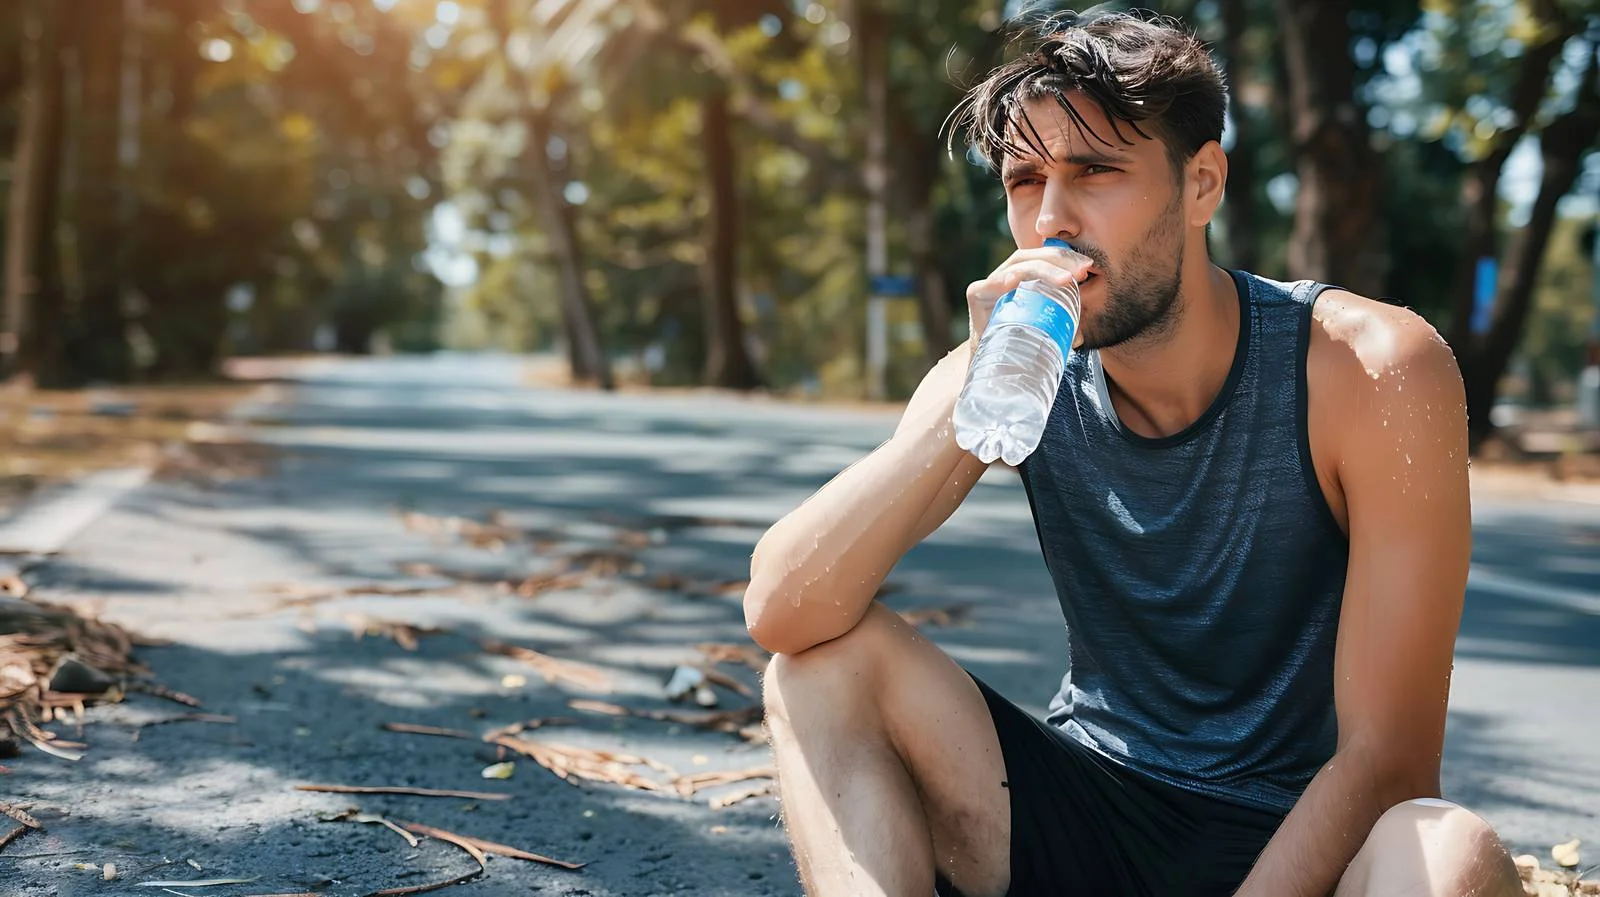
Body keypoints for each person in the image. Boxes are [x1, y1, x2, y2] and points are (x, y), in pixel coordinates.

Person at [742, 9, 1526, 897]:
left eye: (1096, 172)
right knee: (823, 668)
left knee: (1448, 848)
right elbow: (782, 608)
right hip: (1091, 813)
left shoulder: (1371, 369)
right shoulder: (1010, 366)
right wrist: (961, 412)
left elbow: (1389, 759)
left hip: (1303, 848)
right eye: (1024, 179)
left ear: (1202, 184)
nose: (1051, 221)